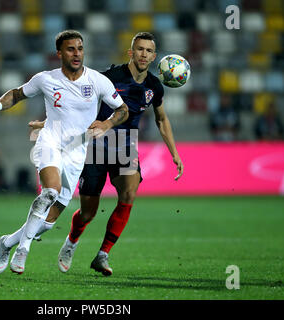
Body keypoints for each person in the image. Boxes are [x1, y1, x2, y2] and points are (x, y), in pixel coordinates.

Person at [30, 32, 184, 276]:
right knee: (89, 211)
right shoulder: (109, 77)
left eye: (149, 51)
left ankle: (102, 254)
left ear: (154, 57)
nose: (144, 54)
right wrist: (48, 124)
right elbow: (75, 102)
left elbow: (161, 119)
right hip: (96, 143)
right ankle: (71, 242)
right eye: (140, 49)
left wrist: (174, 153)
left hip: (125, 144)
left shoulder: (154, 86)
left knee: (130, 192)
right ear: (131, 52)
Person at [0, 30, 129, 275]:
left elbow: (122, 109)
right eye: (71, 49)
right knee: (50, 191)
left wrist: (107, 124)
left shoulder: (97, 81)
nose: (77, 53)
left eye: (80, 48)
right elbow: (17, 94)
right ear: (59, 53)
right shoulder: (45, 79)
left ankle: (7, 242)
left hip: (77, 151)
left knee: (48, 224)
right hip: (50, 140)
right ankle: (23, 250)